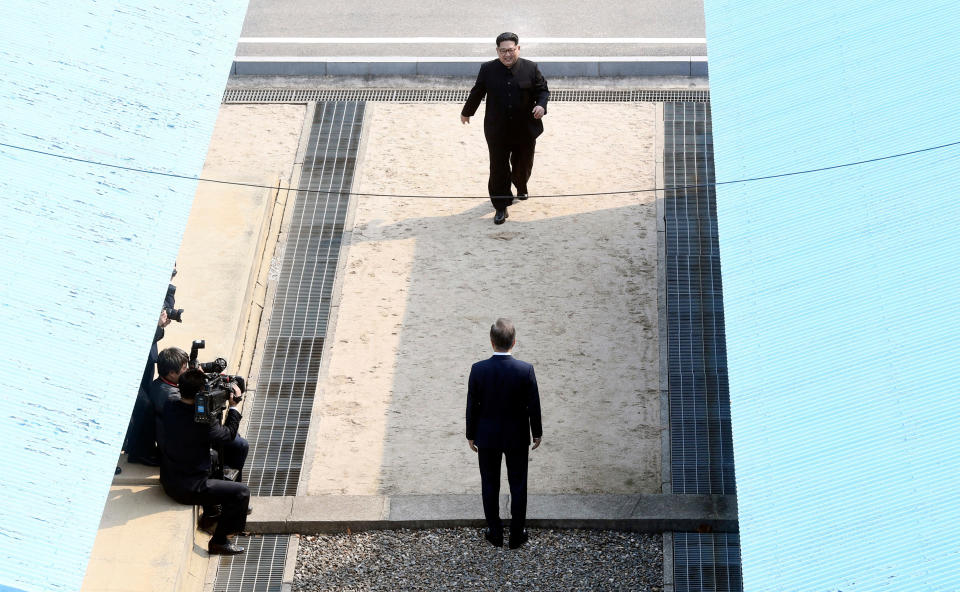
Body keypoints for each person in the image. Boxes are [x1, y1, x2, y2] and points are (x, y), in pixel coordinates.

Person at [466, 318, 543, 549]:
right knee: (518, 484)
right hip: (517, 436)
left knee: (490, 483)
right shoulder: (525, 370)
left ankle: (495, 532)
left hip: (487, 436)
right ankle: (517, 534)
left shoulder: (478, 369)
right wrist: (536, 432)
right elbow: (534, 405)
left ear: (491, 342)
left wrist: (470, 434)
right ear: (514, 342)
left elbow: (472, 406)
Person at [461, 32, 549, 225]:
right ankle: (501, 206)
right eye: (503, 51)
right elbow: (477, 92)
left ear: (518, 49)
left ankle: (521, 185)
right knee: (498, 168)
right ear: (497, 51)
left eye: (510, 50)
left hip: (525, 129)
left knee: (522, 165)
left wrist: (541, 105)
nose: (507, 55)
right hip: (497, 129)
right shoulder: (487, 69)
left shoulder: (531, 68)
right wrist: (467, 112)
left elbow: (542, 90)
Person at [159, 368, 249, 555]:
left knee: (214, 457)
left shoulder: (170, 405)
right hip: (188, 488)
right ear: (202, 393)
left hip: (170, 478)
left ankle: (212, 513)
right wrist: (233, 407)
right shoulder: (203, 421)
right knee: (241, 493)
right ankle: (219, 541)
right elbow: (227, 435)